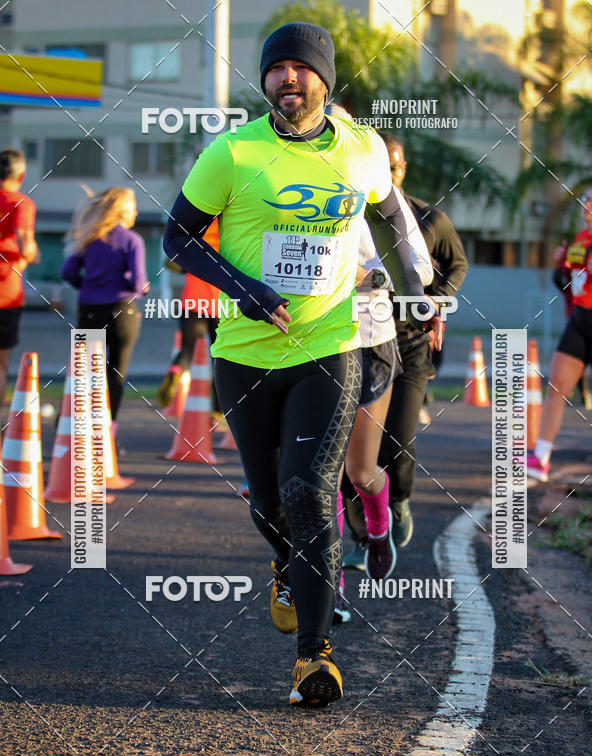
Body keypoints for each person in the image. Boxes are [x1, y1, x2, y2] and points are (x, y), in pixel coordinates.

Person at [163, 23, 439, 708]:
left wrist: (420, 286)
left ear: (325, 79)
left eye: (302, 67)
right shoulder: (232, 152)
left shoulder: (362, 150)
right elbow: (177, 239)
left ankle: (314, 657)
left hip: (329, 348)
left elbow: (395, 216)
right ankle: (287, 563)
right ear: (264, 80)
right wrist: (245, 289)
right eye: (276, 68)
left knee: (309, 492)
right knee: (268, 502)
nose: (288, 78)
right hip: (245, 355)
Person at [343, 133, 467, 568]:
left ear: (403, 169)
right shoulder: (350, 212)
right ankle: (362, 537)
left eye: (394, 167)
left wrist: (436, 301)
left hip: (411, 341)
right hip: (363, 337)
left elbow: (457, 264)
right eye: (383, 166)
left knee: (398, 437)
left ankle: (398, 499)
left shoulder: (428, 218)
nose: (389, 173)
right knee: (351, 453)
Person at [527, 186, 592, 482]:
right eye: (586, 199)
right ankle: (541, 457)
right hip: (580, 319)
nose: (587, 204)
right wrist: (562, 266)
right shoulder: (581, 238)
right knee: (556, 385)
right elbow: (569, 283)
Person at [61, 187, 147, 425]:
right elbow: (137, 282)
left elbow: (68, 272)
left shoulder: (89, 237)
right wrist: (143, 288)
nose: (136, 213)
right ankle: (108, 429)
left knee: (83, 372)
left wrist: (87, 285)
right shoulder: (132, 240)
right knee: (116, 372)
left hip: (89, 309)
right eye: (133, 207)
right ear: (123, 211)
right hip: (122, 310)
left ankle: (71, 427)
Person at [157, 217, 221, 412]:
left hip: (192, 299)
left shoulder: (196, 228)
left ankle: (176, 370)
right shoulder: (227, 231)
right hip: (218, 302)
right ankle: (218, 411)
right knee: (219, 358)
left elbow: (172, 263)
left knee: (186, 350)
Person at [0, 148, 38, 409]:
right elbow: (27, 247)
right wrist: (30, 256)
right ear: (21, 175)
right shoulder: (21, 203)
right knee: (1, 364)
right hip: (6, 294)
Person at [552, 238, 592, 410]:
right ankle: (584, 393)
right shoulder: (574, 263)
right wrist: (561, 261)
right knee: (576, 360)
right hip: (576, 315)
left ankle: (585, 393)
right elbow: (557, 277)